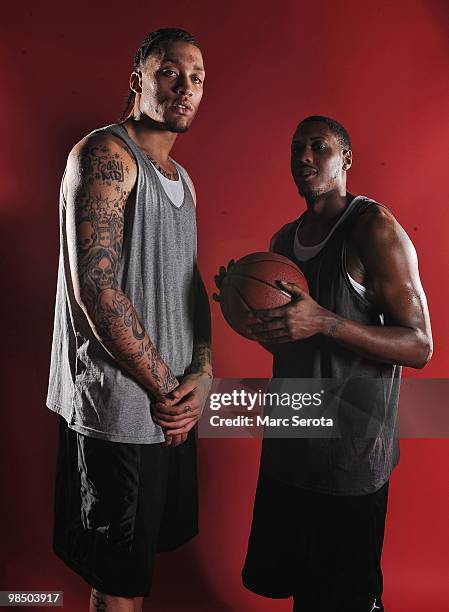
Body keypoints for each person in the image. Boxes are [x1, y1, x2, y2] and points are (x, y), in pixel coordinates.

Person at [214, 116, 433, 611]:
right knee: (303, 595)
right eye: (297, 149)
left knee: (347, 600)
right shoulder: (281, 244)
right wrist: (250, 321)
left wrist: (325, 322)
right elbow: (299, 349)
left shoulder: (373, 228)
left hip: (350, 456)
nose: (305, 157)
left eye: (320, 147)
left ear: (346, 159)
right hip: (292, 447)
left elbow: (420, 346)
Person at [46, 28, 212, 612]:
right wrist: (171, 391)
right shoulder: (106, 156)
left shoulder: (183, 182)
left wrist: (205, 372)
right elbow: (97, 291)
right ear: (138, 76)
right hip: (121, 412)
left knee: (138, 575)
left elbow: (194, 292)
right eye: (171, 72)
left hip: (169, 409)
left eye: (196, 78)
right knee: (119, 588)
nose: (185, 87)